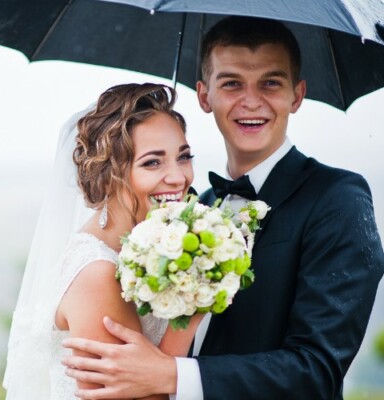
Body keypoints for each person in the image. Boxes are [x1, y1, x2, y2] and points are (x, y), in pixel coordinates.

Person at [62, 16, 384, 400]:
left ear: (296, 95)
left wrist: (173, 376)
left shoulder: (337, 198)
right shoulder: (189, 211)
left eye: (271, 82)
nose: (251, 101)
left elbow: (317, 370)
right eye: (232, 83)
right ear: (204, 95)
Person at [3, 83, 204, 399]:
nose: (178, 177)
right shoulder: (97, 274)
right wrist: (190, 313)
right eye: (153, 162)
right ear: (110, 174)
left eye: (183, 156)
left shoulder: (141, 248)